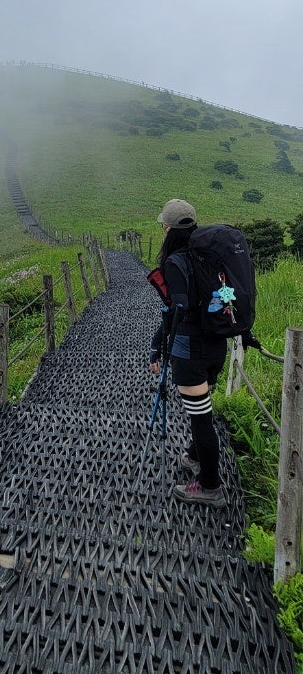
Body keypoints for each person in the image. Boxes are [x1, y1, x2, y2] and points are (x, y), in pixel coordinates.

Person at [149, 198, 227, 507]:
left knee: (200, 419)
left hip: (190, 350)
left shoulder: (175, 262)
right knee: (203, 411)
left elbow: (177, 308)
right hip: (217, 345)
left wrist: (158, 346)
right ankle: (195, 456)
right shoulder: (210, 254)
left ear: (167, 229)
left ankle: (210, 485)